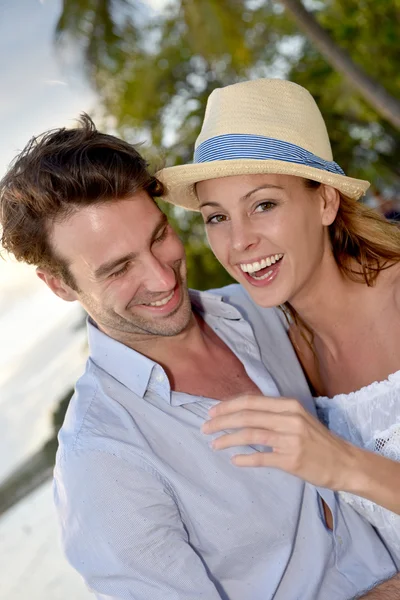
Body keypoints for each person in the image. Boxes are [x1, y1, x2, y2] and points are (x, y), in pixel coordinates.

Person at [0, 116, 397, 600]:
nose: (164, 280)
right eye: (119, 268)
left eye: (158, 238)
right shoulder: (102, 464)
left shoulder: (262, 310)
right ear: (59, 284)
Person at [158, 78, 400, 569]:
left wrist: (341, 463)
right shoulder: (288, 356)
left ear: (325, 202)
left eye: (263, 205)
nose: (239, 241)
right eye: (217, 217)